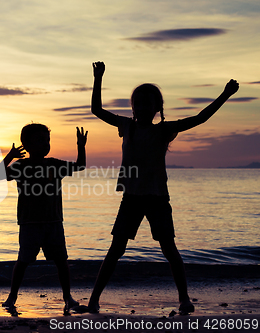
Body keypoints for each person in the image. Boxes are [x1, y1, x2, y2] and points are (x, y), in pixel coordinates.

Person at [87, 61, 239, 314]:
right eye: (139, 103)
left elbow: (200, 118)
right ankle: (93, 300)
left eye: (149, 103)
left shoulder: (165, 130)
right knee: (115, 250)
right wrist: (98, 77)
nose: (144, 107)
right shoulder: (127, 126)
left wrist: (224, 94)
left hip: (157, 198)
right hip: (131, 199)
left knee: (169, 249)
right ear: (133, 107)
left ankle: (183, 298)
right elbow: (96, 109)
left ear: (158, 108)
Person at [0, 124, 88, 313]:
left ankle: (68, 298)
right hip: (30, 223)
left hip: (54, 222)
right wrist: (10, 156)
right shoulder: (21, 166)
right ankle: (12, 297)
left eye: (47, 140)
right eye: (39, 140)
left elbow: (80, 166)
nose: (45, 144)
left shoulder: (54, 164)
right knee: (23, 261)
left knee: (62, 261)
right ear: (26, 145)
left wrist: (81, 146)